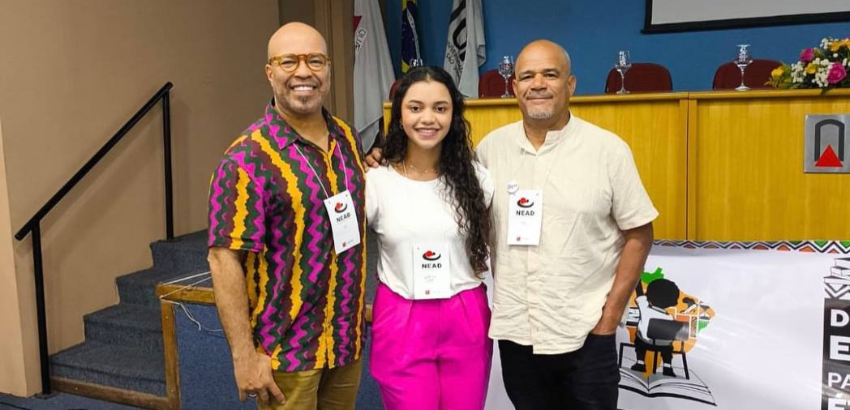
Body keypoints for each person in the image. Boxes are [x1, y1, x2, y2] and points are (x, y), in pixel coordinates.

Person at [365, 39, 657, 409]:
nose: (538, 84)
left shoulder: (607, 150)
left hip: (582, 328)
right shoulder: (490, 152)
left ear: (570, 85)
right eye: (527, 76)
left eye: (550, 75)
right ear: (514, 86)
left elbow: (639, 233)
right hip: (518, 331)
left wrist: (609, 318)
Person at [207, 22, 367, 410]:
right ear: (270, 72)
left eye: (315, 60)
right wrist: (244, 356)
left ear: (328, 69)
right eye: (289, 61)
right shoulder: (247, 158)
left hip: (345, 341)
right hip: (287, 352)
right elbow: (223, 259)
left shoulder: (346, 137)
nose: (303, 72)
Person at [365, 66, 494, 410]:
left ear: (454, 113)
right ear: (399, 114)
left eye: (440, 108)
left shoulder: (478, 179)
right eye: (415, 107)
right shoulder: (376, 181)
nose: (428, 118)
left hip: (465, 314)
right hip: (401, 316)